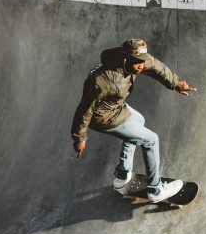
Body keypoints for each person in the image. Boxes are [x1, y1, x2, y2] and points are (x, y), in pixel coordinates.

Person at [71, 39, 197, 203]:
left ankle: (122, 177)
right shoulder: (104, 81)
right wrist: (80, 138)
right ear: (126, 58)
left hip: (116, 106)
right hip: (102, 116)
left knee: (138, 120)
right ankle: (155, 190)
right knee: (151, 139)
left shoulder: (138, 60)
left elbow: (155, 66)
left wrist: (175, 83)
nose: (141, 66)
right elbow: (84, 110)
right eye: (137, 63)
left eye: (142, 61)